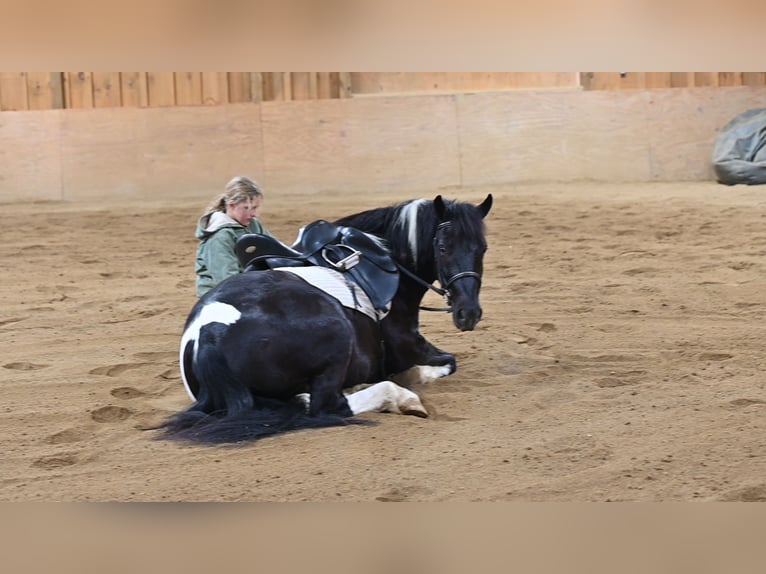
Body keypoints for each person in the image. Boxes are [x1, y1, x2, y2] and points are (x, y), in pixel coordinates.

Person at [195, 176, 273, 298]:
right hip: (219, 298)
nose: (254, 214)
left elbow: (275, 250)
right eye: (247, 208)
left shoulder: (253, 224)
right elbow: (228, 281)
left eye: (256, 208)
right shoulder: (219, 237)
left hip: (247, 287)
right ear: (231, 205)